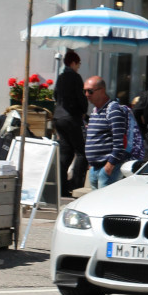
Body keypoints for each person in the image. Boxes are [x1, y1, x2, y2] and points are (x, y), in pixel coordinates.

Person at [52, 49, 88, 197]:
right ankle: (76, 185)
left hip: (58, 117)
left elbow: (55, 94)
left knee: (66, 152)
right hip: (71, 118)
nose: (78, 66)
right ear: (73, 63)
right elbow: (81, 98)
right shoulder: (75, 77)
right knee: (82, 152)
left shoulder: (60, 77)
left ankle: (61, 187)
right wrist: (83, 111)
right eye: (78, 64)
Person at [83, 75, 124, 189]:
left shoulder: (113, 110)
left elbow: (119, 142)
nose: (87, 95)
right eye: (85, 91)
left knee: (105, 204)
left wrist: (110, 165)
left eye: (90, 91)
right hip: (94, 168)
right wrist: (91, 164)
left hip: (106, 168)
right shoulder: (95, 111)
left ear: (102, 91)